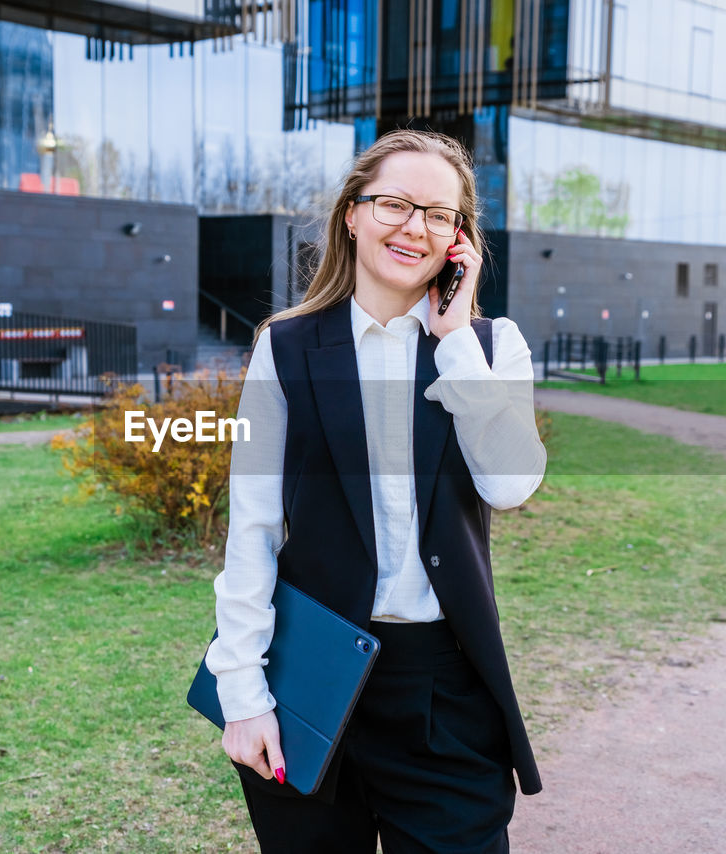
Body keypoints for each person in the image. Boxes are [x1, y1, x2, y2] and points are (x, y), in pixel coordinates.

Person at [204, 129, 548, 853]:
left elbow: (513, 485)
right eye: (394, 203)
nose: (414, 227)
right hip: (310, 677)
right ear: (353, 214)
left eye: (438, 213)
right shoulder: (288, 347)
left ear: (460, 238)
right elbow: (254, 528)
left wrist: (454, 337)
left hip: (444, 691)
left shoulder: (490, 348)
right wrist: (241, 691)